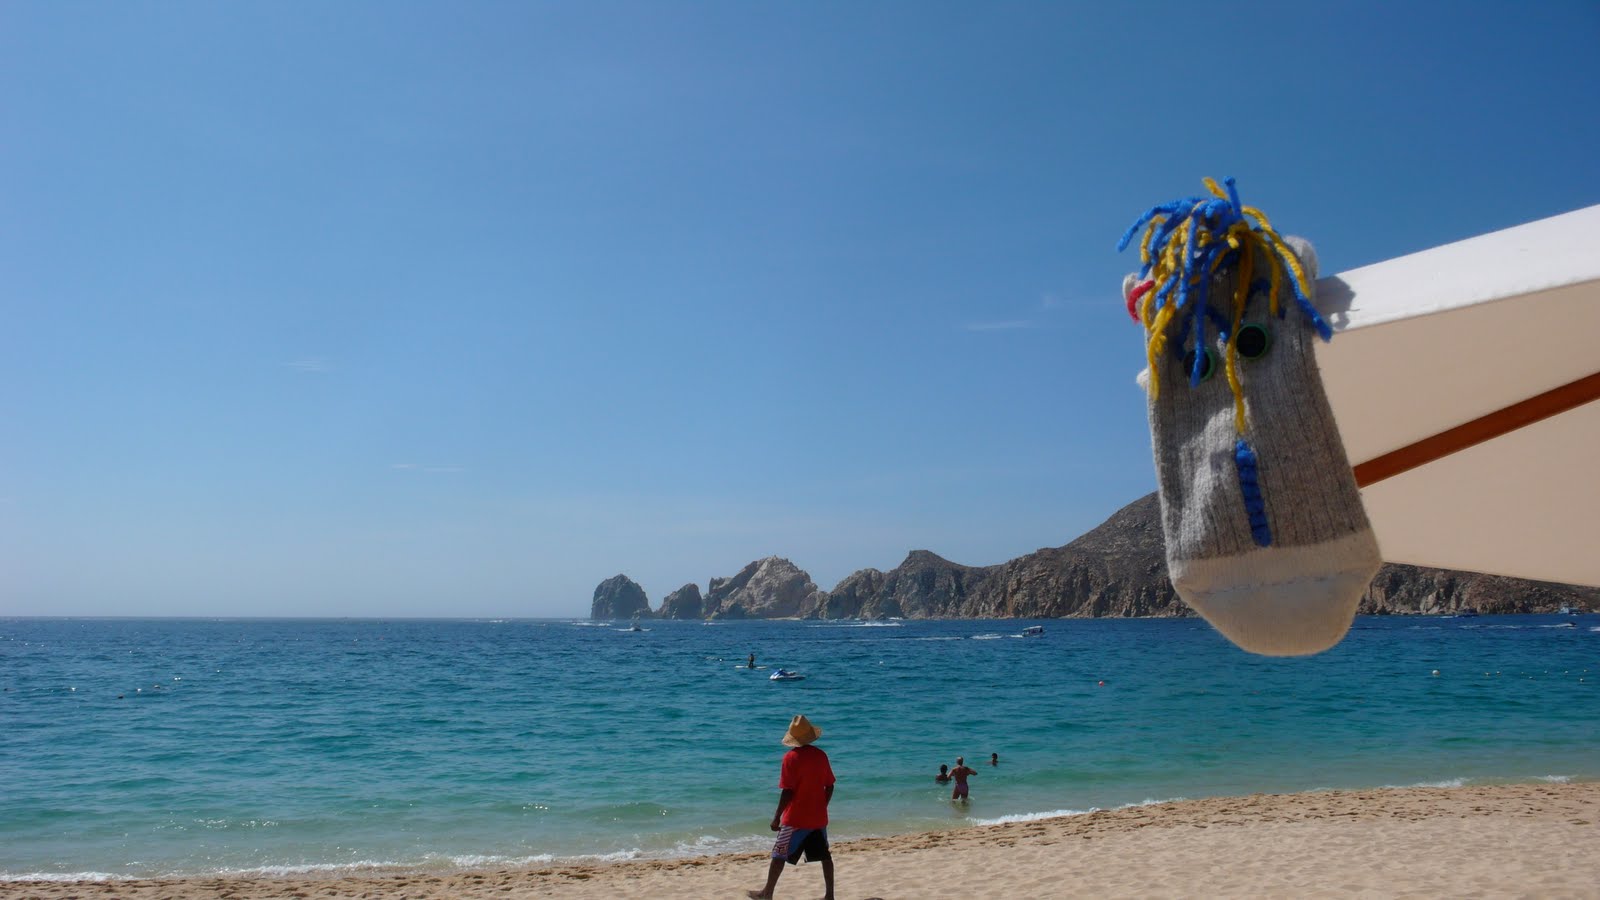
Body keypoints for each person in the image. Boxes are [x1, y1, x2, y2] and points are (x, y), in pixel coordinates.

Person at [748, 714, 835, 900]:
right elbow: (830, 786)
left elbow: (787, 791)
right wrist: (822, 805)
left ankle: (767, 894)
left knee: (778, 855)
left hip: (795, 818)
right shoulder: (821, 755)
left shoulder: (790, 758)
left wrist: (776, 817)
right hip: (818, 818)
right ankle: (829, 895)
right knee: (825, 856)